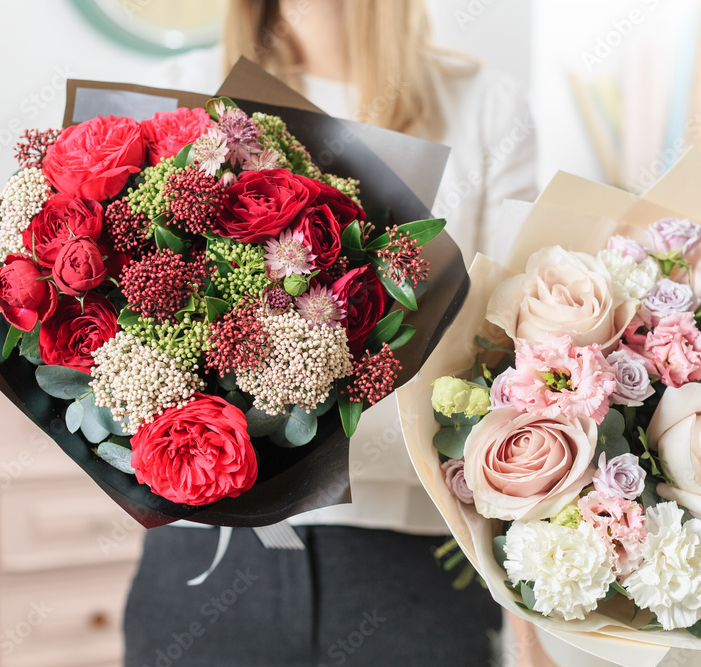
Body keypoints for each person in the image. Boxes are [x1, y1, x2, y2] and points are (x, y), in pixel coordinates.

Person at [124, 1, 548, 664]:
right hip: (205, 560)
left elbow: (517, 363)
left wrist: (529, 617)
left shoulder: (486, 107)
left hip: (412, 565)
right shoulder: (187, 89)